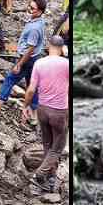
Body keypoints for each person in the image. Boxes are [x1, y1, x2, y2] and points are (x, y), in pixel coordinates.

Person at [0, 0, 48, 119]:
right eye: (29, 6)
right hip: (35, 59)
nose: (29, 9)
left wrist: (19, 64)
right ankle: (33, 114)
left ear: (40, 11)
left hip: (28, 59)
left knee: (10, 79)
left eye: (32, 8)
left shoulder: (34, 28)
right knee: (31, 85)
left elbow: (30, 49)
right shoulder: (39, 21)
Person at [22, 35, 69, 193]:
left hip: (42, 109)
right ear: (62, 48)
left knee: (48, 146)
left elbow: (30, 89)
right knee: (58, 147)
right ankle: (39, 176)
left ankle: (50, 179)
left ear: (49, 46)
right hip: (59, 111)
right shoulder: (66, 64)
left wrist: (25, 106)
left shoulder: (39, 63)